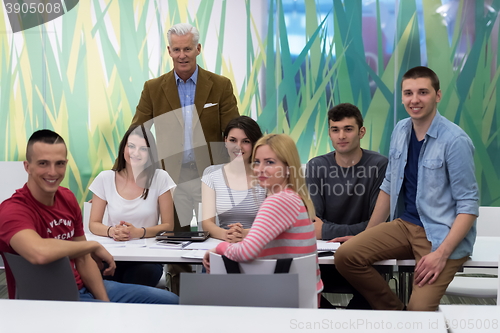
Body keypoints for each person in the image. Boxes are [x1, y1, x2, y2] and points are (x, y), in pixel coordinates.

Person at [335, 66, 479, 311]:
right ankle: (397, 314)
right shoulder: (401, 130)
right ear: (402, 97)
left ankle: (409, 319)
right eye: (408, 93)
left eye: (423, 92)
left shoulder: (455, 141)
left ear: (438, 95)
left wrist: (441, 254)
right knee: (346, 256)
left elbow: (468, 206)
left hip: (439, 235)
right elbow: (389, 186)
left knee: (420, 312)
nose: (415, 100)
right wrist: (367, 234)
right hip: (404, 224)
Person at [0, 130, 179, 303]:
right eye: (43, 163)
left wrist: (104, 302)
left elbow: (84, 259)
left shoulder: (67, 198)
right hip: (50, 301)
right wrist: (91, 245)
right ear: (27, 166)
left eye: (60, 163)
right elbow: (38, 252)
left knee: (172, 301)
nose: (53, 172)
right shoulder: (11, 210)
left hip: (83, 287)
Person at [130, 22, 239, 294]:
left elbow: (235, 130)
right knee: (175, 242)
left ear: (198, 49)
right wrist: (123, 171)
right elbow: (138, 131)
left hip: (213, 176)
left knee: (218, 236)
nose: (182, 55)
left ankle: (218, 294)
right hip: (172, 178)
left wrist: (244, 173)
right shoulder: (153, 88)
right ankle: (178, 299)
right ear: (169, 51)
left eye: (187, 48)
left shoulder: (221, 85)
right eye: (176, 49)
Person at [203, 134, 323, 295]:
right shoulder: (293, 197)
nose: (260, 169)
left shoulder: (278, 201)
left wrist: (220, 247)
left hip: (285, 300)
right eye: (257, 162)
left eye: (270, 162)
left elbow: (246, 252)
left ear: (288, 168)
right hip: (299, 295)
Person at [306, 103, 388, 309]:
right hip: (323, 259)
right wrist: (360, 230)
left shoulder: (379, 165)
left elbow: (379, 225)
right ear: (330, 134)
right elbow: (313, 224)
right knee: (300, 290)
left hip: (366, 258)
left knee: (370, 301)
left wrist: (326, 230)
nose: (341, 135)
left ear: (361, 132)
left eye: (348, 129)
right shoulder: (317, 166)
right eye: (335, 130)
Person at [88, 125, 175, 287]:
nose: (135, 153)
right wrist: (111, 231)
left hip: (147, 258)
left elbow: (168, 226)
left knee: (141, 276)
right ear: (123, 149)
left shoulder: (160, 178)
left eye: (143, 149)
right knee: (99, 273)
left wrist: (138, 233)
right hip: (111, 255)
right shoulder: (105, 178)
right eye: (131, 146)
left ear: (150, 154)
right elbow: (93, 224)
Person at [201, 116, 266, 242]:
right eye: (233, 140)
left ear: (255, 144)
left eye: (246, 141)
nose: (238, 146)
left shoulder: (266, 174)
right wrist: (227, 235)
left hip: (259, 244)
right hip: (224, 244)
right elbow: (207, 223)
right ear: (225, 141)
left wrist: (244, 234)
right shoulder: (211, 174)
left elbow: (273, 225)